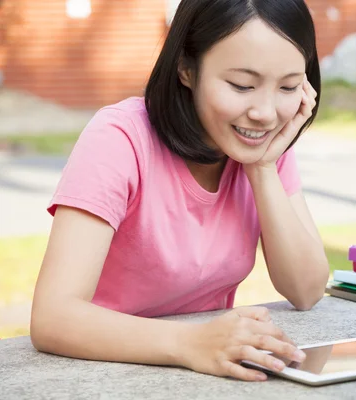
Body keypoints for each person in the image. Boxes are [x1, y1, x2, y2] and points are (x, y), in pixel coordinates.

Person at [30, 0, 329, 382]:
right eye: (242, 85)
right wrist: (191, 343)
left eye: (288, 87)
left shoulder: (264, 147)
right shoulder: (120, 139)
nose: (266, 113)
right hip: (97, 372)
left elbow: (306, 290)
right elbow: (53, 317)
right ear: (186, 69)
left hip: (196, 375)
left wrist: (263, 168)